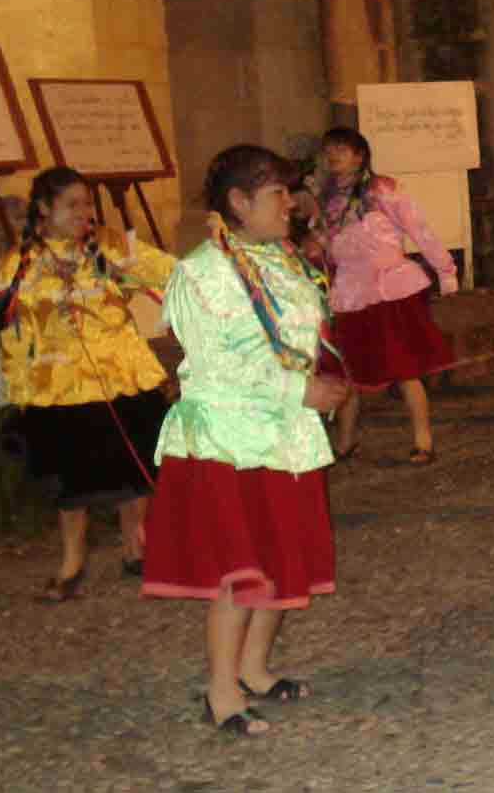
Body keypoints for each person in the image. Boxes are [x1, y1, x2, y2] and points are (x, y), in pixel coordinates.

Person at [142, 145, 350, 736]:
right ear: (239, 202)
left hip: (281, 438)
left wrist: (311, 384)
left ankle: (255, 669)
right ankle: (220, 689)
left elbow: (295, 338)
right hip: (228, 443)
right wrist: (297, 393)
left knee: (282, 559)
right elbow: (214, 367)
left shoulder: (281, 261)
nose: (290, 203)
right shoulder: (202, 274)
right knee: (241, 570)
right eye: (276, 194)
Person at [0, 166, 175, 599]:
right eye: (71, 205)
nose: (83, 213)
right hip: (62, 386)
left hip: (124, 377)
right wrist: (19, 388)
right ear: (44, 209)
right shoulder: (23, 264)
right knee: (73, 485)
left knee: (136, 471)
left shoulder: (110, 246)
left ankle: (136, 547)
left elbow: (170, 272)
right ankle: (71, 562)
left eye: (86, 204)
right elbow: (17, 335)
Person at [311, 127, 457, 465]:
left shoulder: (383, 190)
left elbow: (418, 228)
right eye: (329, 150)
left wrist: (445, 270)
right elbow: (321, 243)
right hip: (349, 292)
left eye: (342, 150)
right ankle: (345, 442)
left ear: (360, 155)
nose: (334, 156)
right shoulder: (327, 199)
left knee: (405, 367)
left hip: (389, 288)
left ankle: (423, 439)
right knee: (348, 371)